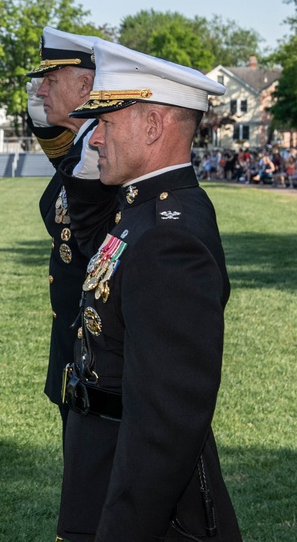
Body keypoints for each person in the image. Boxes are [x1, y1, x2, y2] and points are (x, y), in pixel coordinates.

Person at [56, 41, 241, 540]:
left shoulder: (167, 234)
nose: (93, 141)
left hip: (134, 491)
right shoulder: (139, 208)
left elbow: (165, 422)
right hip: (100, 458)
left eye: (107, 124)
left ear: (154, 126)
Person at [25, 27, 114, 435]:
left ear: (85, 86)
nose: (41, 91)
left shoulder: (101, 152)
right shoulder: (82, 145)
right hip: (76, 344)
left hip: (97, 350)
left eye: (51, 80)